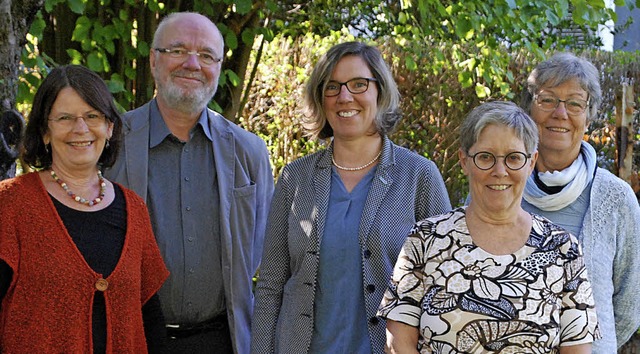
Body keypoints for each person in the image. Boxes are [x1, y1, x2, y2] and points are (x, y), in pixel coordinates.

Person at [251, 41, 452, 354]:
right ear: (320, 97)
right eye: (332, 87)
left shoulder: (419, 176)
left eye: (359, 84)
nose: (345, 96)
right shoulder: (295, 178)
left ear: (379, 91)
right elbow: (270, 286)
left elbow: (444, 288)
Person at [104, 12, 274, 354]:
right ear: (154, 60)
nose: (192, 64)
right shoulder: (112, 141)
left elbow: (263, 249)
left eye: (207, 55)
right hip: (133, 339)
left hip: (223, 340)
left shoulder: (249, 151)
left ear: (219, 66)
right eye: (178, 50)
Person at [379, 101, 600, 353]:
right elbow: (398, 344)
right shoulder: (425, 241)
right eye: (485, 157)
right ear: (464, 160)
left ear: (531, 162)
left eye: (514, 158)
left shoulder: (563, 250)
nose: (500, 171)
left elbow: (577, 349)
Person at [0, 64, 169, 352]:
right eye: (65, 118)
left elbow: (149, 319)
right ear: (44, 131)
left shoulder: (134, 210)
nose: (81, 129)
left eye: (92, 116)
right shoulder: (11, 204)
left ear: (109, 127)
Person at [520, 52, 640, 352]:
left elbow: (630, 303)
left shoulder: (616, 198)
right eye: (547, 100)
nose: (560, 113)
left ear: (589, 116)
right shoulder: (498, 185)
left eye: (575, 103)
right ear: (529, 110)